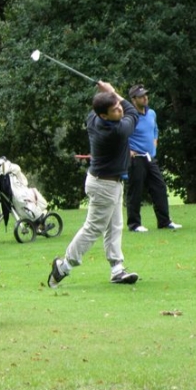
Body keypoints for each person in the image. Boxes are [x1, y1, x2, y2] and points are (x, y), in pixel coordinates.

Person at [48, 81, 140, 287]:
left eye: (118, 106)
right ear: (104, 116)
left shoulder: (94, 118)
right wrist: (113, 91)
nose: (120, 109)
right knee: (94, 228)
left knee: (115, 225)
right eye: (115, 109)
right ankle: (64, 266)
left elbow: (107, 107)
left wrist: (108, 96)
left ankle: (117, 268)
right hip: (104, 185)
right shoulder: (116, 131)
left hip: (109, 182)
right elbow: (133, 112)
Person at [126, 84, 182, 232]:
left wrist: (154, 144)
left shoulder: (151, 113)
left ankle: (164, 221)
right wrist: (128, 150)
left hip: (150, 158)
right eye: (141, 96)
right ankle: (134, 224)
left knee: (159, 187)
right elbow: (120, 134)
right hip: (135, 158)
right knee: (135, 191)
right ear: (133, 99)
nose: (145, 98)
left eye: (146, 95)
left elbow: (155, 130)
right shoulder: (130, 117)